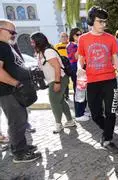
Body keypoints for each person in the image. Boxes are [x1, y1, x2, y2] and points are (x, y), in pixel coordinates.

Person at [77, 6, 118, 154]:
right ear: (91, 21)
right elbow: (81, 58)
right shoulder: (83, 39)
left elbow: (115, 57)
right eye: (100, 21)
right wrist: (79, 67)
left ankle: (107, 138)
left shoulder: (111, 38)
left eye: (105, 22)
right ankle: (108, 129)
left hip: (110, 80)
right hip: (92, 82)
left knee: (111, 111)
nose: (103, 24)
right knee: (95, 114)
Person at [0, 19, 41, 163]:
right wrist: (16, 83)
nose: (14, 35)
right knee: (16, 122)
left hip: (14, 91)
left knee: (21, 120)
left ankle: (20, 147)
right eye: (11, 32)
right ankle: (19, 153)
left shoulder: (6, 45)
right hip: (8, 91)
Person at [30, 32, 76, 134]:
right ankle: (70, 121)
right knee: (60, 101)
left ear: (38, 41)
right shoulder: (41, 52)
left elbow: (56, 68)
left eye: (33, 42)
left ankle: (58, 125)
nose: (31, 44)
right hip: (55, 79)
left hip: (58, 79)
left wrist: (57, 82)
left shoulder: (48, 52)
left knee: (54, 102)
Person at [66, 28, 89, 122]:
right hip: (76, 69)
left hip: (83, 68)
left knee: (83, 90)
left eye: (81, 34)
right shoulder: (70, 45)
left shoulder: (79, 44)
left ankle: (83, 110)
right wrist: (80, 45)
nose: (79, 36)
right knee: (79, 91)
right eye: (77, 34)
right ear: (72, 35)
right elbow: (75, 57)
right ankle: (78, 114)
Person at [54, 32, 70, 101]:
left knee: (70, 80)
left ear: (67, 37)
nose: (64, 38)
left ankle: (68, 94)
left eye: (65, 36)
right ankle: (65, 95)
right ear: (60, 38)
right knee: (63, 80)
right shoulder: (57, 46)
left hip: (69, 64)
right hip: (61, 65)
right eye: (62, 36)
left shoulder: (70, 45)